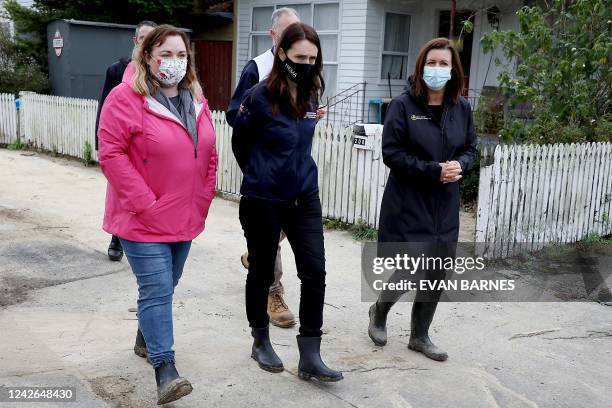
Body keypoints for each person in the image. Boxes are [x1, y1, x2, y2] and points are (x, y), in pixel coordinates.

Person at [98, 25, 217, 404]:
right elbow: (111, 153)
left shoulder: (195, 97)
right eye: (166, 54)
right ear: (147, 56)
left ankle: (145, 335)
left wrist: (204, 195)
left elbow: (209, 151)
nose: (174, 63)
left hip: (184, 214)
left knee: (169, 282)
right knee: (158, 288)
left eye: (181, 55)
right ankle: (165, 368)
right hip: (141, 217)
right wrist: (144, 200)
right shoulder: (125, 97)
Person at [232, 22, 343, 382]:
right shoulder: (258, 96)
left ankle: (310, 353)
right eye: (300, 57)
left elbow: (302, 139)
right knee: (262, 270)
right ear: (282, 54)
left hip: (304, 195)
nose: (307, 64)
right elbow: (240, 144)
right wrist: (264, 175)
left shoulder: (310, 95)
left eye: (313, 58)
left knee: (315, 271)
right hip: (264, 198)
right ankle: (260, 340)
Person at [367, 37, 478, 361]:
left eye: (444, 64)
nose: (437, 69)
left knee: (437, 270)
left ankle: (419, 335)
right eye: (432, 63)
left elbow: (471, 148)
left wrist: (462, 164)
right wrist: (433, 170)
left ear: (453, 70)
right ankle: (380, 311)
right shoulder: (403, 106)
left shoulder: (462, 108)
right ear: (421, 66)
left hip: (444, 205)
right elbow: (392, 154)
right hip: (409, 201)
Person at [227, 7, 301, 328]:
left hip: (295, 166)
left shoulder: (303, 67)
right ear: (273, 35)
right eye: (287, 33)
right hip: (264, 168)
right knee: (269, 224)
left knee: (289, 221)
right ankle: (274, 290)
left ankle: (256, 257)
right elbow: (235, 114)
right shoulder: (257, 68)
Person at [95, 20, 157, 262]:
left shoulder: (162, 72)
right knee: (123, 188)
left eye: (154, 39)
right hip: (124, 143)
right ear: (135, 41)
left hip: (150, 146)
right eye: (144, 39)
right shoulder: (117, 70)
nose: (147, 44)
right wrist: (101, 145)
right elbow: (104, 110)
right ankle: (116, 236)